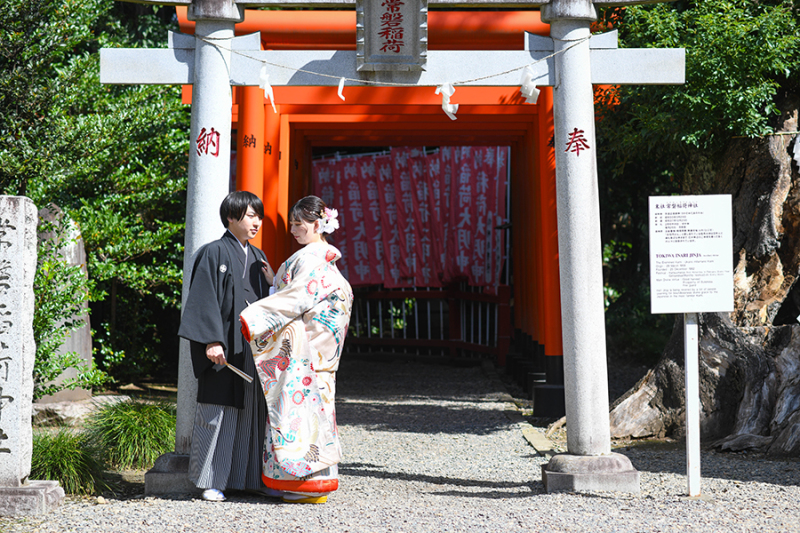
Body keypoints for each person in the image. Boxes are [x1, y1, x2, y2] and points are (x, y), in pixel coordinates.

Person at [239, 195, 353, 504]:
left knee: (297, 417)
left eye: (298, 223)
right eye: (291, 223)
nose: (292, 229)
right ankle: (320, 483)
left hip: (306, 355)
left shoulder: (309, 261)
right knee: (320, 416)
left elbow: (297, 299)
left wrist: (256, 318)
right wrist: (275, 283)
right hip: (322, 357)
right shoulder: (329, 267)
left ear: (317, 225)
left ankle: (301, 486)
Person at [177, 191, 275, 502]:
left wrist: (273, 284)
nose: (257, 222)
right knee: (216, 411)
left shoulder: (258, 257)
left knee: (251, 412)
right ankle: (210, 479)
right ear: (231, 217)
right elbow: (204, 299)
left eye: (259, 217)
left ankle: (248, 479)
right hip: (223, 347)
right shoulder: (213, 252)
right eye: (250, 216)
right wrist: (211, 340)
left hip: (252, 348)